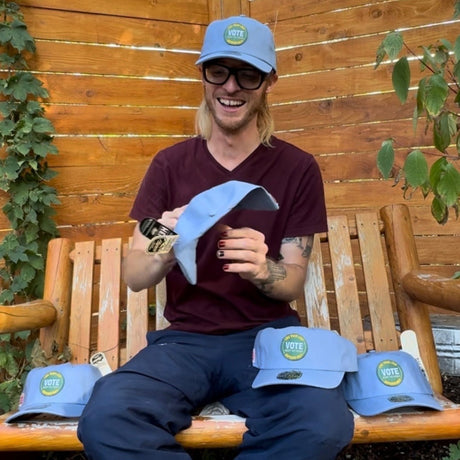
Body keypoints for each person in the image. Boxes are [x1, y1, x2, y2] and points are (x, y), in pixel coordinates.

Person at [77, 15, 354, 459]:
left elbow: (293, 280)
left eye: (248, 73)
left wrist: (265, 269)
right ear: (203, 76)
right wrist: (162, 246)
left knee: (321, 422)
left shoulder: (297, 168)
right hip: (184, 342)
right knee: (109, 416)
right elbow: (134, 274)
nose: (231, 87)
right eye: (219, 71)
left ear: (269, 82)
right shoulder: (169, 166)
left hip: (269, 339)